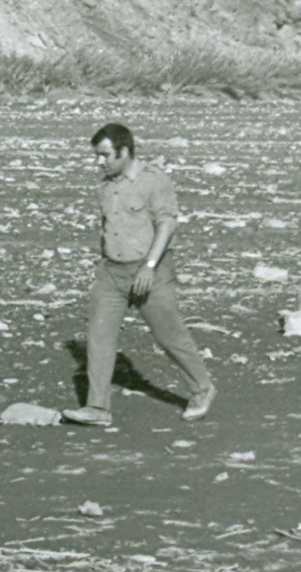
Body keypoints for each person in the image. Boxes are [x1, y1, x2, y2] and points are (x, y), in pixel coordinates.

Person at [63, 123, 215, 426]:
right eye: (96, 156)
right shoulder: (106, 185)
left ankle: (202, 388)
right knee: (99, 337)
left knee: (169, 336)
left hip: (150, 272)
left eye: (104, 155)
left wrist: (149, 266)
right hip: (111, 274)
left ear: (125, 151)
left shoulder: (153, 181)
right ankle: (98, 408)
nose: (99, 162)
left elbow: (167, 225)